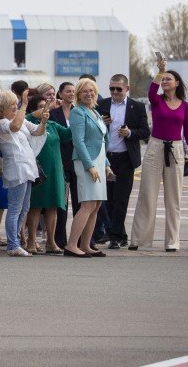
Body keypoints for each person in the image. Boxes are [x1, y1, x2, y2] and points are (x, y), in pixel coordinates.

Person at [129, 58, 188, 252]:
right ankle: (139, 240)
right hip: (155, 147)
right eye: (163, 79)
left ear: (177, 83)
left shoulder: (185, 106)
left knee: (173, 198)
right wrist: (161, 70)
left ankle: (172, 241)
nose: (165, 81)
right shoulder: (157, 100)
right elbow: (151, 91)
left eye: (169, 79)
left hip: (175, 149)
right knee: (147, 195)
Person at [95, 74, 151, 249]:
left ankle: (115, 236)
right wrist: (101, 123)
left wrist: (130, 133)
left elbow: (145, 132)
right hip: (106, 158)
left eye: (119, 89)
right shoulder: (102, 105)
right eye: (112, 88)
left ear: (127, 89)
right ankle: (119, 234)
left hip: (126, 158)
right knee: (108, 200)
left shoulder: (137, 106)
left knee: (121, 200)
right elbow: (92, 129)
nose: (115, 92)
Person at [0, 91, 48, 257]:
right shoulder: (1, 123)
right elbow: (14, 127)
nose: (15, 108)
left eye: (16, 105)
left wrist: (43, 121)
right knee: (15, 208)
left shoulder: (20, 120)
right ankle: (13, 244)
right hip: (16, 169)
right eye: (12, 105)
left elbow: (37, 131)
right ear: (2, 108)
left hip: (27, 168)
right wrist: (24, 105)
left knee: (24, 208)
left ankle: (15, 241)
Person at [65, 78, 109, 258]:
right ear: (78, 94)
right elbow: (79, 141)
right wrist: (90, 166)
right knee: (88, 204)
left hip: (98, 161)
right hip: (86, 162)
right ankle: (71, 245)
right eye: (84, 91)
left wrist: (106, 165)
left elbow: (102, 141)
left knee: (96, 205)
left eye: (91, 90)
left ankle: (85, 244)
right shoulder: (78, 112)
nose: (88, 94)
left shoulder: (95, 112)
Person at [24, 88, 71, 255]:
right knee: (35, 206)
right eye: (41, 106)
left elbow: (69, 134)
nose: (46, 109)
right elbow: (28, 117)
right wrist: (46, 109)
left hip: (56, 170)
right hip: (39, 170)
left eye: (48, 106)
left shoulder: (53, 124)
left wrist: (75, 114)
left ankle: (51, 242)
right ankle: (31, 242)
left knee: (53, 206)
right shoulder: (29, 122)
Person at [49, 81, 76, 250]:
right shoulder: (53, 113)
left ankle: (81, 239)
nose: (71, 94)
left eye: (73, 91)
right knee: (62, 203)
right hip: (61, 162)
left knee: (81, 202)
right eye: (68, 91)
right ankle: (60, 240)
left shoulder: (78, 112)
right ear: (60, 93)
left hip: (77, 161)